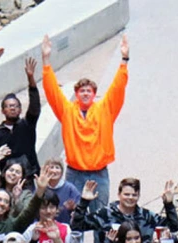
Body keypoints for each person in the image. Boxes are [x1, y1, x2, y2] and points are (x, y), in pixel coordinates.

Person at [41, 33, 130, 222]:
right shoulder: (67, 111)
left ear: (94, 94)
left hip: (99, 172)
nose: (85, 93)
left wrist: (124, 61)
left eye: (89, 91)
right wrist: (46, 62)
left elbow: (117, 89)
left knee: (101, 219)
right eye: (82, 91)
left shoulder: (105, 109)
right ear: (76, 94)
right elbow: (52, 92)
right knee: (72, 217)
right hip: (75, 173)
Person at [72, 177, 178, 243]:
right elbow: (77, 226)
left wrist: (169, 204)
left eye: (134, 195)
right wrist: (84, 202)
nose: (130, 198)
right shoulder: (105, 214)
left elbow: (173, 227)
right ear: (119, 194)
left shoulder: (147, 216)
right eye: (127, 194)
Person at [0, 57, 42, 177]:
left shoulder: (27, 124)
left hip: (30, 176)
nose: (12, 108)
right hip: (7, 179)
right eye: (9, 106)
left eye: (15, 106)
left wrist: (31, 79)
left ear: (20, 110)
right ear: (3, 110)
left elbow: (35, 105)